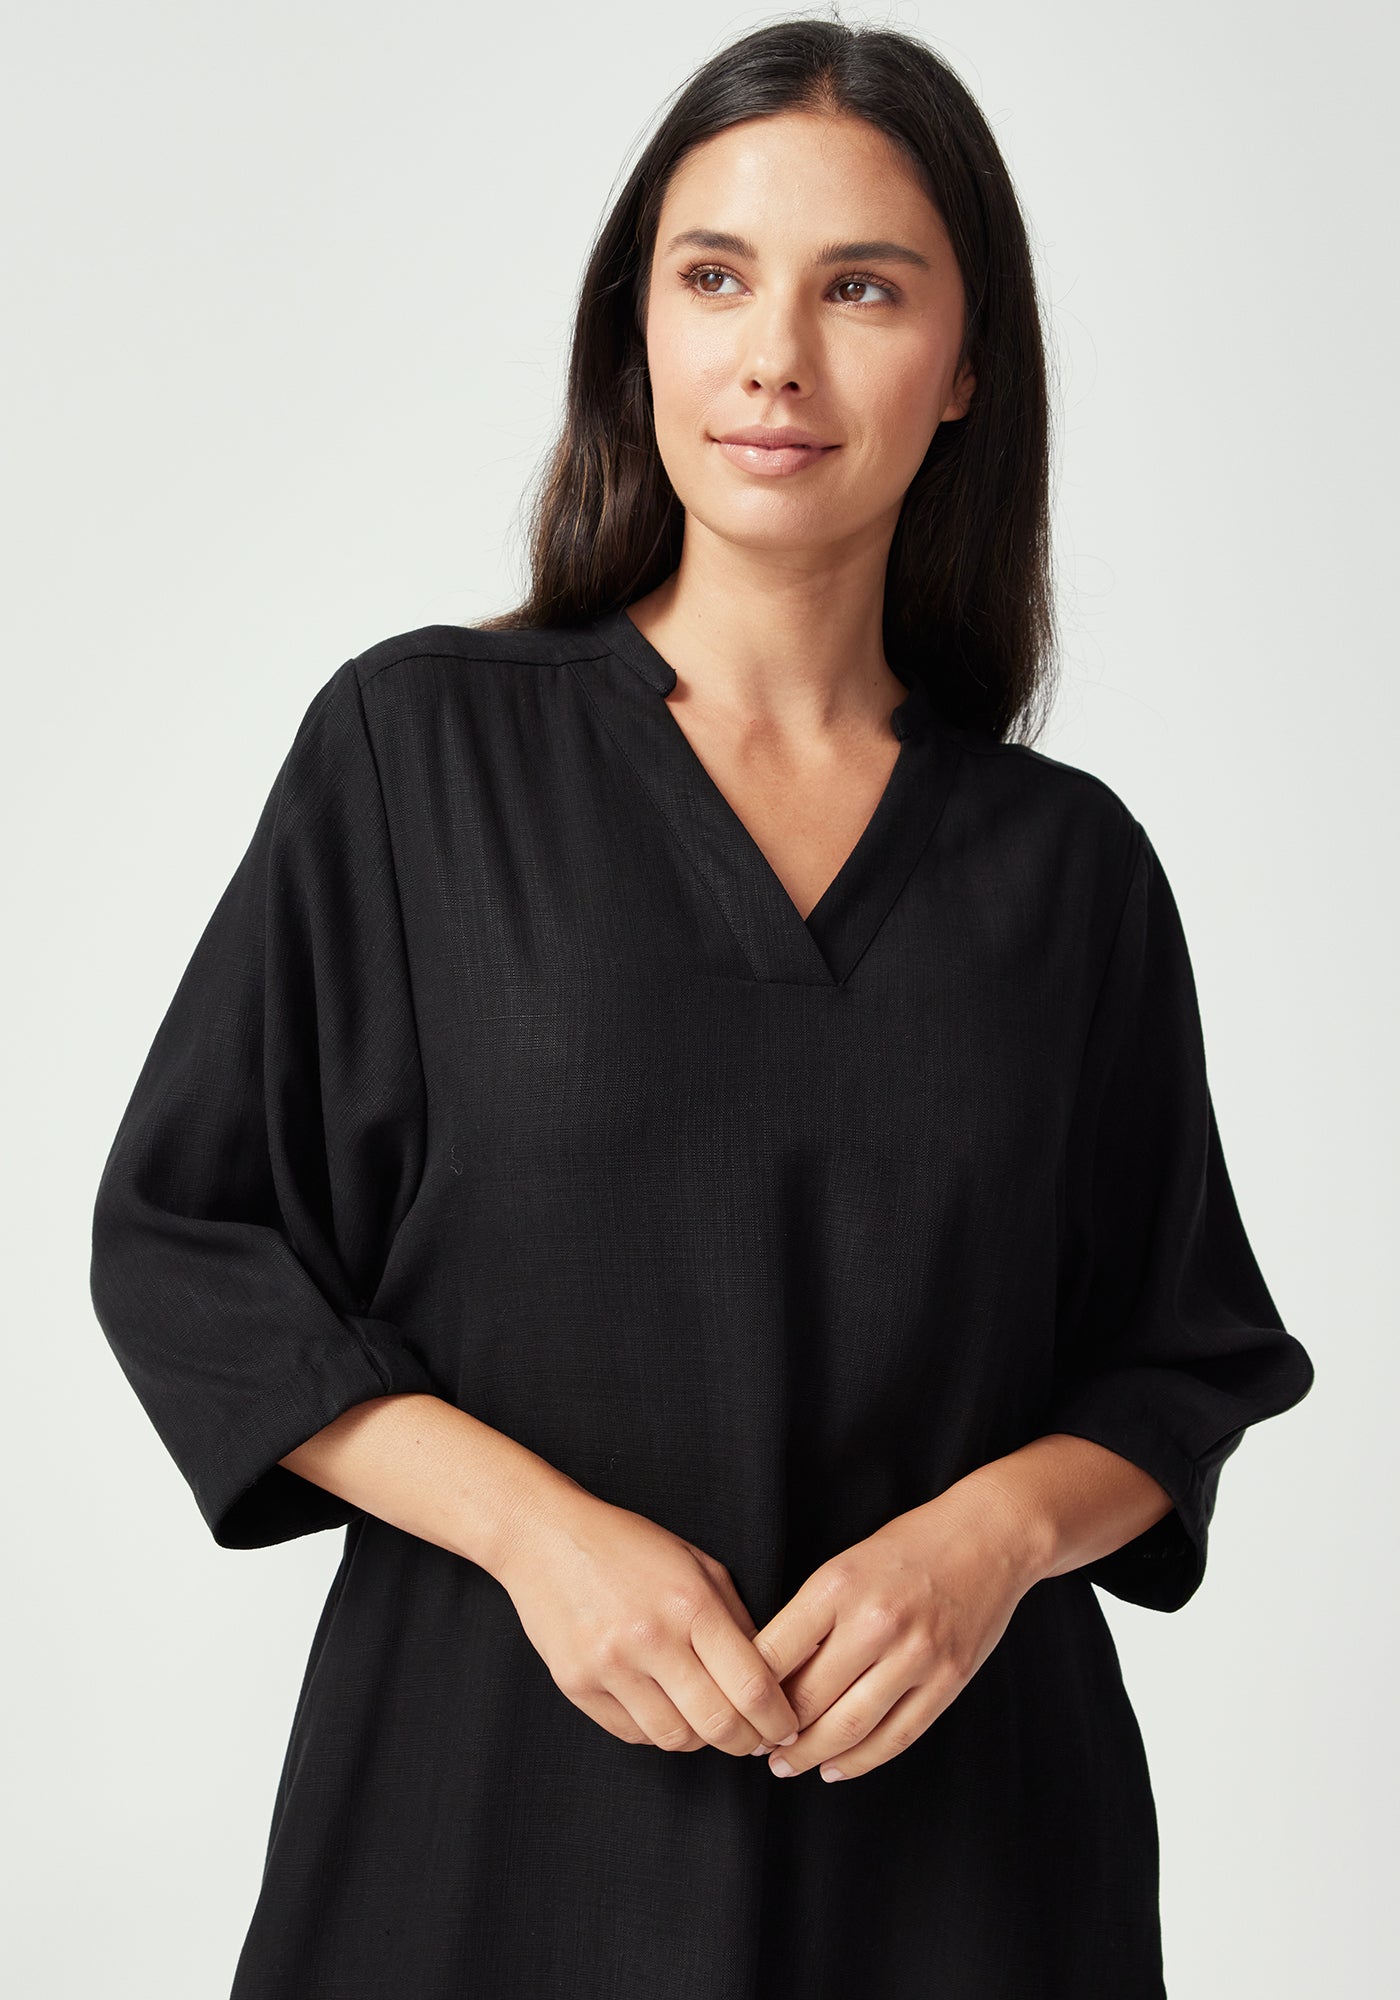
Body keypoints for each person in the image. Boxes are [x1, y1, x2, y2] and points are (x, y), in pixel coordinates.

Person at [89, 19, 1315, 1999]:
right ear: (637, 326)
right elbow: (191, 1240)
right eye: (717, 275)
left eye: (864, 289)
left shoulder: (1068, 873)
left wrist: (987, 1542)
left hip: (963, 1877)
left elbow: (1178, 1364)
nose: (775, 358)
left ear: (968, 365)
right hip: (483, 1847)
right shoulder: (418, 757)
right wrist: (537, 1535)